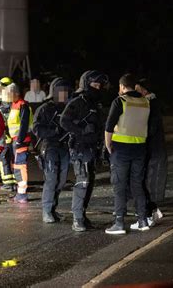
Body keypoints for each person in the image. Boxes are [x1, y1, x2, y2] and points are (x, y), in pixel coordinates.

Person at [60, 70, 108, 232]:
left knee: (90, 182)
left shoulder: (95, 103)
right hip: (80, 148)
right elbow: (64, 121)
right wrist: (82, 130)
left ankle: (82, 215)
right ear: (86, 84)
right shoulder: (78, 101)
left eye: (100, 85)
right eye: (95, 84)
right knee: (83, 181)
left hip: (92, 148)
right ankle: (77, 218)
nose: (98, 87)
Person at [104, 73, 151, 235]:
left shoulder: (120, 101)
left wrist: (107, 144)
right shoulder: (145, 102)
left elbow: (109, 126)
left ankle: (119, 223)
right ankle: (143, 220)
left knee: (120, 186)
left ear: (123, 87)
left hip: (121, 150)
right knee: (137, 184)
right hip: (139, 148)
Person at [33, 77, 73, 223]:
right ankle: (47, 211)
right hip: (50, 147)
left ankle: (53, 209)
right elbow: (36, 128)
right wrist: (54, 131)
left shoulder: (69, 108)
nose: (64, 94)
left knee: (61, 181)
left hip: (64, 148)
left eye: (66, 91)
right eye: (61, 91)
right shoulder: (45, 109)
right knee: (51, 179)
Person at [135, 78, 166, 222]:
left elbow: (151, 128)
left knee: (145, 180)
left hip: (150, 148)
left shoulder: (150, 104)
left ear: (144, 90)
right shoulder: (152, 103)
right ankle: (152, 210)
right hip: (152, 147)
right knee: (147, 180)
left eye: (137, 89)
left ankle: (147, 214)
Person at [6, 83, 33, 203]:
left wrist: (19, 140)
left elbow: (24, 124)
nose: (7, 96)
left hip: (21, 141)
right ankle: (20, 192)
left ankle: (22, 194)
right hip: (15, 140)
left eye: (9, 93)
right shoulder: (14, 105)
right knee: (17, 166)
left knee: (20, 166)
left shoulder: (23, 105)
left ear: (16, 93)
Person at [0, 77, 18, 190]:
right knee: (10, 159)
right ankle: (12, 182)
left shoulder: (7, 104)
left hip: (8, 136)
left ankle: (9, 183)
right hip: (11, 136)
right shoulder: (11, 102)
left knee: (5, 158)